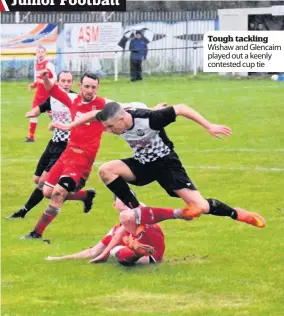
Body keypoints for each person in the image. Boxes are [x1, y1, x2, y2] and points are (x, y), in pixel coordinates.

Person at [52, 102, 266, 230]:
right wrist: (69, 125)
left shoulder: (150, 119)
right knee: (106, 170)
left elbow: (181, 108)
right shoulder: (119, 112)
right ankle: (138, 213)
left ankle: (239, 214)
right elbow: (94, 114)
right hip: (143, 165)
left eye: (109, 127)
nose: (107, 130)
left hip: (166, 165)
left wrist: (209, 126)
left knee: (199, 207)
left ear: (121, 119)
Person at [20, 70, 106, 240]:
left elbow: (128, 108)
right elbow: (54, 90)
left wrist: (152, 110)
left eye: (93, 87)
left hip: (82, 160)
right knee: (46, 191)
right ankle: (86, 195)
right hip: (67, 154)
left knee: (58, 192)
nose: (90, 90)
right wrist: (45, 79)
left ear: (98, 88)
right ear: (80, 86)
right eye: (87, 86)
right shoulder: (73, 100)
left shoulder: (103, 104)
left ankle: (36, 233)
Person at [6, 71, 95, 220]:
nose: (66, 84)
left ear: (72, 83)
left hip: (66, 146)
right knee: (37, 179)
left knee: (43, 184)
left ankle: (23, 212)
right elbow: (40, 108)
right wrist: (32, 112)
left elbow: (87, 117)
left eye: (69, 81)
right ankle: (85, 196)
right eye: (63, 81)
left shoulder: (74, 99)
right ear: (58, 82)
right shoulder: (53, 98)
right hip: (53, 143)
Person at [46, 197, 165, 266]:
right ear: (114, 205)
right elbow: (94, 251)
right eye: (121, 197)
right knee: (117, 251)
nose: (125, 199)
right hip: (142, 256)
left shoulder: (139, 211)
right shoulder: (115, 229)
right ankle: (137, 252)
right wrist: (62, 258)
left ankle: (137, 252)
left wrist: (104, 254)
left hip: (153, 253)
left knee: (114, 252)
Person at [25, 45, 56, 142]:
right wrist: (34, 85)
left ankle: (62, 131)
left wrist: (44, 82)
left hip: (48, 94)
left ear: (45, 53)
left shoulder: (48, 65)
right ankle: (31, 137)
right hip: (38, 95)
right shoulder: (37, 65)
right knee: (33, 113)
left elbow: (54, 79)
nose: (40, 54)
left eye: (42, 52)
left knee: (53, 116)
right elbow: (38, 79)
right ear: (36, 54)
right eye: (38, 52)